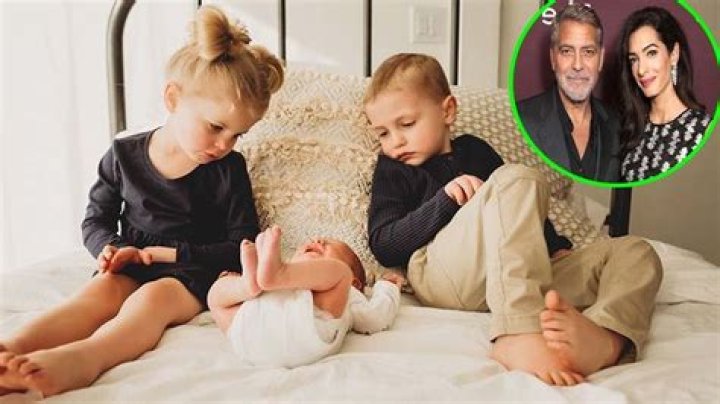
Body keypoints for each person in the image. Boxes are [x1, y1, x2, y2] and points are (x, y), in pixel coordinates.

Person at [0, 5, 283, 397]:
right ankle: (9, 350)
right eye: (216, 127)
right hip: (130, 263)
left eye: (237, 135)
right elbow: (96, 220)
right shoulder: (123, 155)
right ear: (173, 98)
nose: (225, 145)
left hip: (188, 274)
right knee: (96, 295)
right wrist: (111, 249)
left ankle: (79, 360)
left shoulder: (228, 169)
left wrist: (169, 255)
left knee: (152, 300)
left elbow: (241, 244)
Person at [364, 52, 662, 386]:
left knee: (636, 251)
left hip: (514, 275)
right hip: (444, 274)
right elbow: (384, 244)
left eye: (406, 124)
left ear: (447, 110)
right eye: (382, 134)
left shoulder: (475, 150)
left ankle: (607, 339)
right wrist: (443, 201)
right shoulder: (394, 169)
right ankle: (518, 331)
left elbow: (520, 208)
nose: (395, 142)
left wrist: (555, 248)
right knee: (518, 178)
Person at [207, 225, 403, 368]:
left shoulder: (349, 293)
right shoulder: (269, 281)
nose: (318, 240)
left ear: (355, 284)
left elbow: (374, 317)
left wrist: (387, 288)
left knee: (340, 272)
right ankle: (245, 285)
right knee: (214, 298)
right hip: (250, 330)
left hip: (280, 338)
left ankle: (251, 283)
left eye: (330, 245)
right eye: (311, 244)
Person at [518, 4, 621, 181]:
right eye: (567, 51)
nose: (578, 65)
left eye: (588, 52)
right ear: (553, 58)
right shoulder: (522, 121)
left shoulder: (619, 126)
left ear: (601, 59)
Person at [617, 6, 711, 182]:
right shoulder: (631, 127)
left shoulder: (701, 130)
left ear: (673, 54)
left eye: (651, 53)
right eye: (634, 59)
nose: (641, 70)